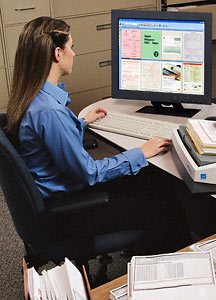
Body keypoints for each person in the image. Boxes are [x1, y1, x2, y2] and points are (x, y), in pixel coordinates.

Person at [6, 16, 190, 254]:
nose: (74, 53)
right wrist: (140, 152)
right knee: (163, 206)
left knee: (153, 180)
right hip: (70, 210)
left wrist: (80, 123)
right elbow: (89, 174)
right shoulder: (50, 113)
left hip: (57, 195)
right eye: (71, 47)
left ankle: (144, 249)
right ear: (57, 54)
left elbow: (48, 137)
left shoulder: (34, 97)